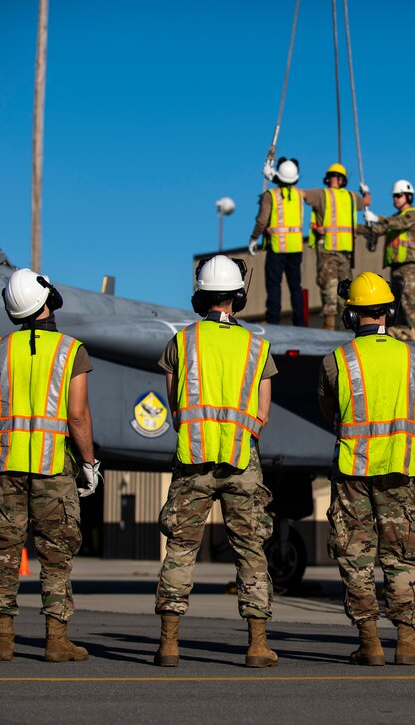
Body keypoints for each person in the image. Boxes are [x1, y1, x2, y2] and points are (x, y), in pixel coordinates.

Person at [0, 268, 101, 663]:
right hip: (53, 469)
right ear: (47, 301)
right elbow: (77, 417)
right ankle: (56, 641)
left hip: (5, 466)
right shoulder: (71, 350)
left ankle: (3, 640)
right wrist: (89, 464)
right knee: (55, 555)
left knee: (3, 554)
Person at [153, 255, 279, 668]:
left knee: (181, 549)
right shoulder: (257, 346)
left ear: (199, 297)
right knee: (251, 551)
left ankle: (169, 645)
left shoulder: (182, 342)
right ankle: (258, 645)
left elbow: (174, 405)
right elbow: (263, 411)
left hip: (193, 461)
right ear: (237, 297)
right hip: (243, 462)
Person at [317, 272, 415, 666]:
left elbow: (329, 412)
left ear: (352, 317)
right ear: (390, 311)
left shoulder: (336, 360)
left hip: (353, 468)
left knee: (355, 554)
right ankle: (407, 641)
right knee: (401, 555)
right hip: (400, 469)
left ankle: (369, 643)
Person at [302, 162, 371, 330]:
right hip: (329, 252)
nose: (334, 179)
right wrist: (366, 191)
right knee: (331, 290)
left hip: (342, 253)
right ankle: (330, 328)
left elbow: (366, 202)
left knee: (345, 293)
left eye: (337, 176)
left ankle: (342, 330)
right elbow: (302, 194)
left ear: (341, 179)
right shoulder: (327, 195)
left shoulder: (345, 196)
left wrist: (366, 191)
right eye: (333, 176)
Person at [362, 179, 415, 338]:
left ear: (408, 197)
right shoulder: (393, 219)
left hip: (410, 266)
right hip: (396, 267)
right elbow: (379, 229)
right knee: (396, 304)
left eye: (399, 195)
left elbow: (396, 223)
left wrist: (377, 218)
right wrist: (367, 223)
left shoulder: (413, 215)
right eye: (394, 196)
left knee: (409, 301)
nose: (395, 199)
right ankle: (403, 333)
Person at [250, 157, 307, 326]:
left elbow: (262, 220)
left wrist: (254, 238)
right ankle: (300, 321)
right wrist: (273, 175)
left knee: (274, 285)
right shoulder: (299, 194)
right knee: (295, 286)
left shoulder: (270, 196)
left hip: (277, 246)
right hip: (296, 247)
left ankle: (273, 319)